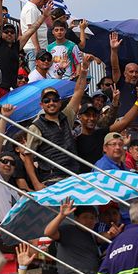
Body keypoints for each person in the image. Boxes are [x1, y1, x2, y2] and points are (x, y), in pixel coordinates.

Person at [25, 55, 93, 184]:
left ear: (60, 102)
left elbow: (78, 91)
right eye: (47, 100)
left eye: (55, 99)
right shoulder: (36, 126)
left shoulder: (67, 116)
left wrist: (83, 70)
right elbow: (28, 157)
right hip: (51, 179)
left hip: (73, 176)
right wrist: (36, 184)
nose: (51, 103)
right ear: (42, 105)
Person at [44, 198, 101, 274]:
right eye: (85, 217)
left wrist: (111, 233)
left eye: (92, 218)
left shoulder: (92, 235)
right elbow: (48, 232)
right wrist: (61, 216)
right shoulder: (68, 230)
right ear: (76, 218)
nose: (89, 221)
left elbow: (101, 237)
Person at [19, 0, 51, 70]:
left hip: (36, 47)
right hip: (34, 47)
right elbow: (32, 29)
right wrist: (37, 48)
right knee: (35, 73)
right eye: (44, 0)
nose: (44, 3)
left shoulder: (33, 8)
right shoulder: (31, 9)